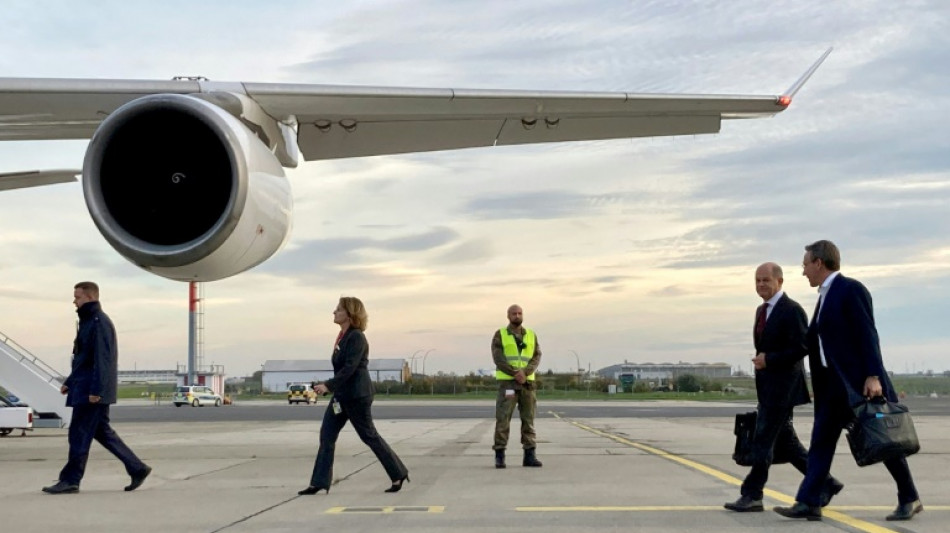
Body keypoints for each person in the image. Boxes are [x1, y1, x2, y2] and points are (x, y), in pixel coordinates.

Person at [775, 240, 922, 521]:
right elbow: (816, 342)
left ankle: (909, 497)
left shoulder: (850, 289)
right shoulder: (825, 295)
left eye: (805, 264)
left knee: (882, 440)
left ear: (819, 262)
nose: (803, 271)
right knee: (821, 441)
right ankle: (809, 501)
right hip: (832, 386)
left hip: (857, 383)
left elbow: (868, 335)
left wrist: (873, 375)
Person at [725, 263, 842, 512]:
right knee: (787, 445)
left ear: (780, 281)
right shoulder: (761, 310)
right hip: (768, 387)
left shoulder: (791, 310)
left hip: (784, 388)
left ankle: (753, 493)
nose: (760, 285)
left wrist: (770, 360)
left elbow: (802, 347)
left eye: (766, 280)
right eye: (757, 281)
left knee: (763, 441)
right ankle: (826, 482)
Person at [42, 282, 151, 494]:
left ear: (90, 297)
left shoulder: (99, 323)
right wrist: (70, 382)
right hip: (84, 387)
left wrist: (97, 391)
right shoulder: (88, 322)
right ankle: (137, 468)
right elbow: (84, 359)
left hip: (90, 391)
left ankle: (70, 480)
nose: (74, 301)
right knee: (102, 432)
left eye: (78, 297)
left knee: (79, 435)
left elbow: (103, 360)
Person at [299, 296, 409, 495]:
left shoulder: (356, 337)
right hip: (341, 396)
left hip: (357, 396)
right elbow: (342, 369)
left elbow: (350, 368)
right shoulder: (343, 336)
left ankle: (398, 473)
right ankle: (319, 482)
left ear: (349, 314)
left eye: (338, 309)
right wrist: (327, 386)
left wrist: (328, 386)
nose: (334, 312)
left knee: (369, 436)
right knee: (327, 436)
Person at [491, 304, 542, 468]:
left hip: (527, 385)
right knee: (503, 419)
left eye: (520, 313)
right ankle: (500, 455)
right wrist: (515, 373)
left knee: (529, 420)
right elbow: (498, 358)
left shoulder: (531, 335)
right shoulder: (500, 335)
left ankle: (529, 455)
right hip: (508, 384)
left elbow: (536, 356)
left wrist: (525, 373)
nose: (517, 316)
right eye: (514, 313)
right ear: (508, 316)